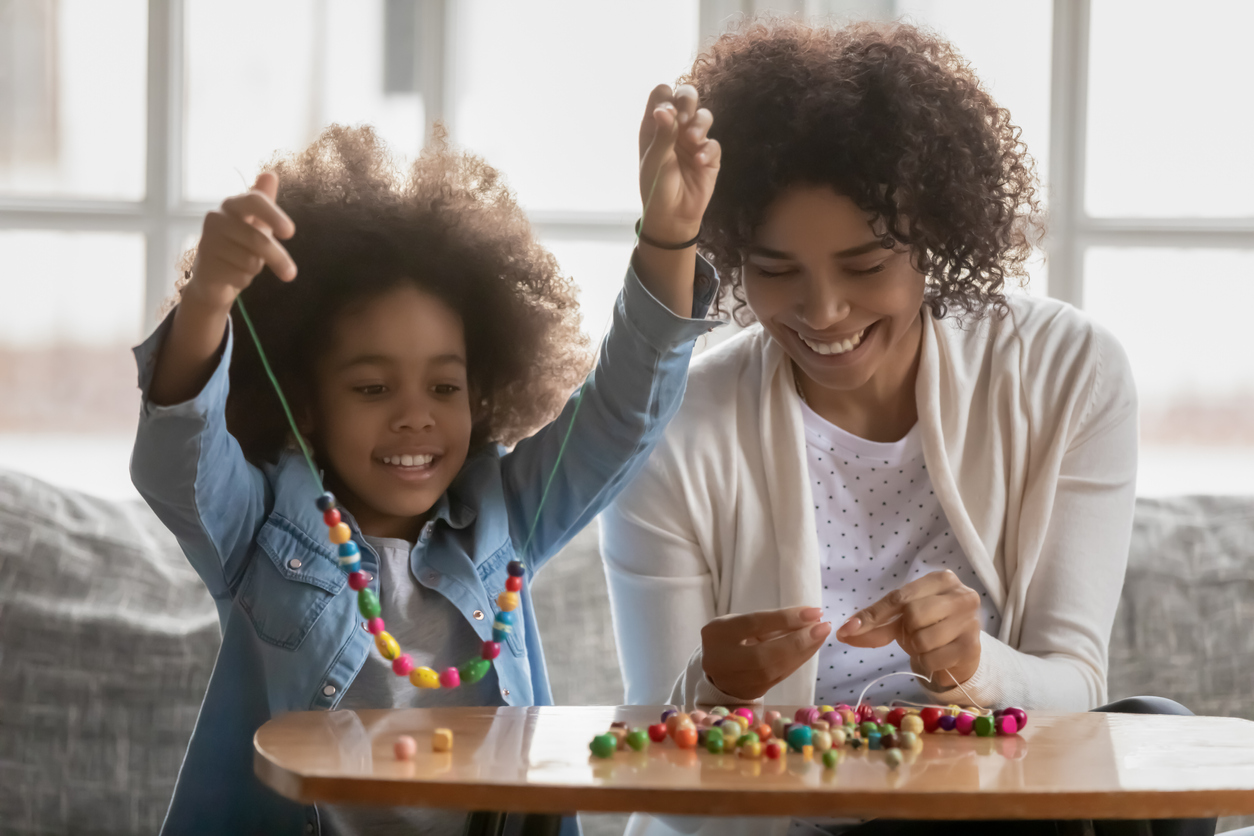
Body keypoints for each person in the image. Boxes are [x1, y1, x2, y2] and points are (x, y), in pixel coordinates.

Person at [601, 18, 1209, 836]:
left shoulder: (1068, 369)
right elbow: (657, 762)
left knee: (1152, 729)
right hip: (779, 821)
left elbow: (1076, 691)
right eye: (776, 272)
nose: (823, 313)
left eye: (865, 267)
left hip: (995, 810)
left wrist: (974, 665)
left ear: (935, 238)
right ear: (734, 254)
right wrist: (709, 690)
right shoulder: (672, 426)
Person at [131, 86, 721, 836]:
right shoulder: (258, 530)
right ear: (306, 404)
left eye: (445, 385)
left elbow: (623, 413)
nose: (415, 413)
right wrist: (210, 301)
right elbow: (175, 460)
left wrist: (668, 239)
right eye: (373, 387)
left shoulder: (508, 515)